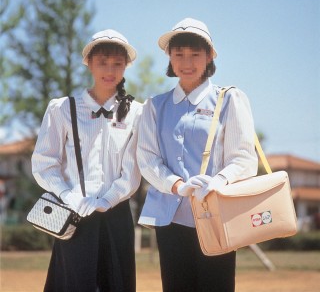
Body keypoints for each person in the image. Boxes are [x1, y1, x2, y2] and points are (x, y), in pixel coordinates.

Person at [137, 18, 258, 292]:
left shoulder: (230, 99)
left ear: (209, 57)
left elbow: (244, 158)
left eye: (195, 54)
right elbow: (147, 159)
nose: (186, 62)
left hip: (217, 216)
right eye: (178, 54)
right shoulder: (154, 107)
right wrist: (177, 186)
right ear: (169, 57)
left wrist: (219, 181)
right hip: (171, 218)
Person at [31, 29, 142, 292]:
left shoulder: (138, 112)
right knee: (72, 283)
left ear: (126, 66)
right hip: (72, 214)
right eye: (102, 62)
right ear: (89, 63)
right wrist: (68, 195)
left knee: (117, 283)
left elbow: (132, 169)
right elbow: (44, 162)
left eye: (118, 63)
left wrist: (107, 200)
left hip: (116, 215)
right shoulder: (62, 108)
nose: (110, 70)